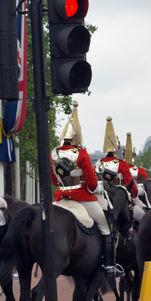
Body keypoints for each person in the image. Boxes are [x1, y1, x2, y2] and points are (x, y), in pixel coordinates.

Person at [50, 102, 121, 277]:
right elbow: (90, 182)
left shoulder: (54, 153)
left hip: (60, 197)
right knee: (105, 227)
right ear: (76, 137)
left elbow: (53, 179)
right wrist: (94, 186)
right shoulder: (81, 154)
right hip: (81, 197)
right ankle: (109, 265)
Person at [95, 117, 138, 198]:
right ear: (117, 148)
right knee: (141, 211)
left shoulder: (98, 163)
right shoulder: (121, 164)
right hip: (117, 197)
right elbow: (130, 184)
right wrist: (136, 193)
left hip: (101, 197)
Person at [124, 132, 150, 223]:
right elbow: (145, 186)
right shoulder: (140, 170)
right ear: (134, 156)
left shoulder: (120, 168)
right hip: (134, 198)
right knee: (145, 216)